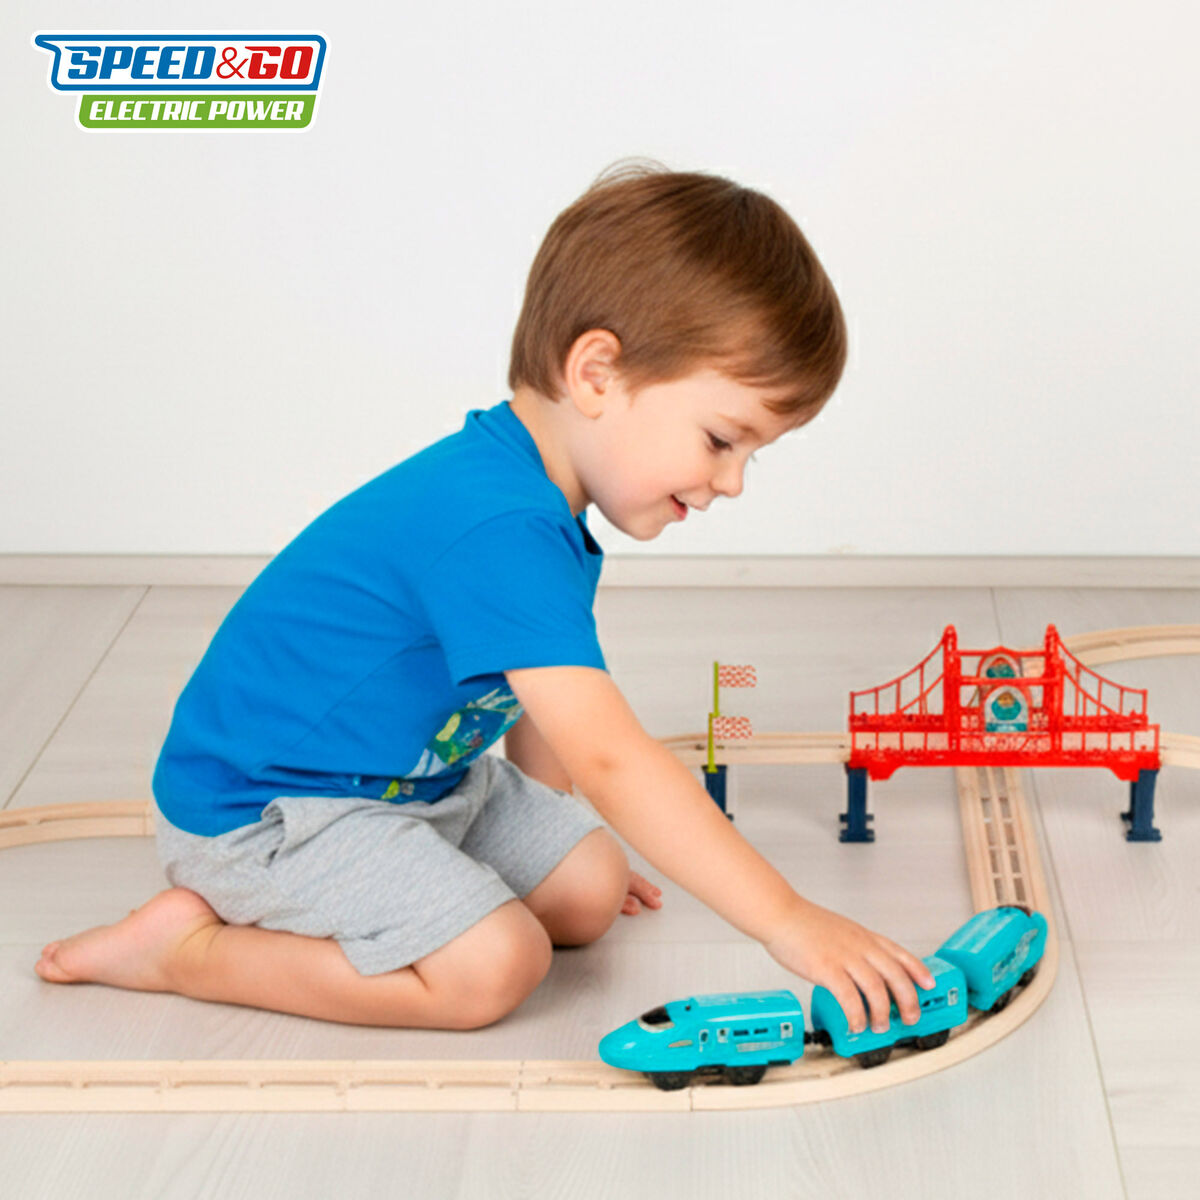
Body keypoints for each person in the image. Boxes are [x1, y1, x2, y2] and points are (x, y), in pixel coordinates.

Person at [35, 160, 935, 1036]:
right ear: (597, 373)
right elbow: (611, 757)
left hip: (419, 785)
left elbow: (537, 698)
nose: (732, 482)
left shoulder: (539, 501)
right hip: (270, 813)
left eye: (751, 456)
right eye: (720, 440)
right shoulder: (494, 527)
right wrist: (788, 919)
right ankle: (185, 952)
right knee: (495, 966)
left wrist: (542, 832)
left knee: (587, 889)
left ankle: (423, 891)